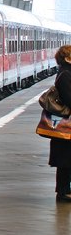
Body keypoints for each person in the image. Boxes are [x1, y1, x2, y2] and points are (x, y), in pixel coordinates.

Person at [51, 45, 71, 202]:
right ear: (67, 58)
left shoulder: (65, 72)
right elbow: (68, 98)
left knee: (66, 159)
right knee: (65, 159)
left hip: (66, 124)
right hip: (66, 124)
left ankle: (65, 190)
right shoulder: (65, 74)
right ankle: (63, 192)